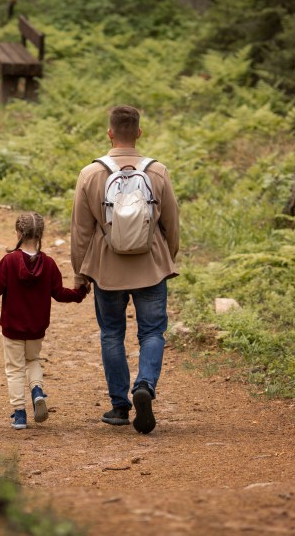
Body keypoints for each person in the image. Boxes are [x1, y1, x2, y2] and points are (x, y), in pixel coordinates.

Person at [70, 105, 180, 434]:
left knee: (111, 333)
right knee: (151, 332)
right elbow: (172, 225)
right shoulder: (157, 172)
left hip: (107, 269)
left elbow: (81, 230)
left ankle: (119, 406)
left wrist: (80, 273)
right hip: (150, 267)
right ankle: (144, 384)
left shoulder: (91, 174)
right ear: (139, 133)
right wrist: (166, 258)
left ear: (110, 133)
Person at [0, 213, 88, 430]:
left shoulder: (9, 262)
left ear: (19, 233)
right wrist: (81, 291)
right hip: (37, 327)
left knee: (14, 368)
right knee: (33, 360)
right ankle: (37, 391)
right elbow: (60, 293)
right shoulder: (49, 264)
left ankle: (20, 414)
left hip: (12, 327)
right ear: (40, 235)